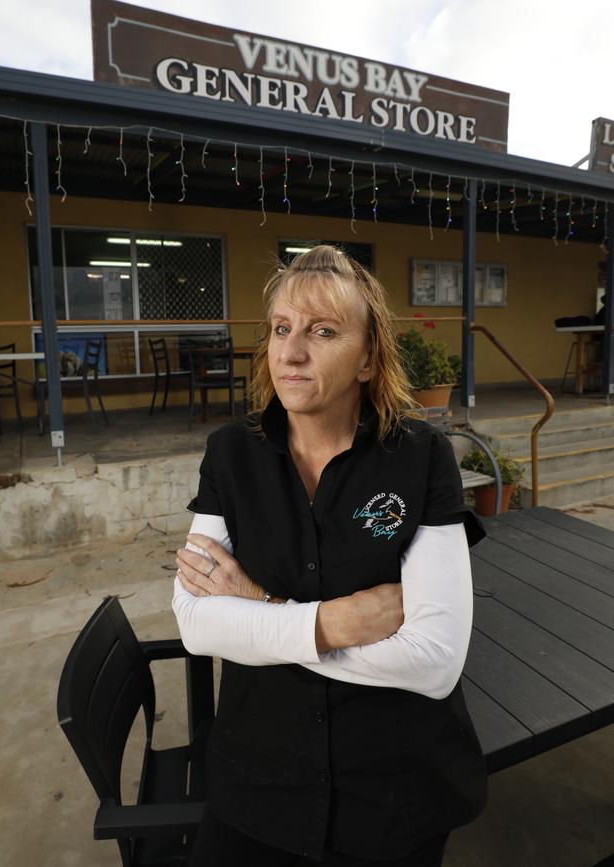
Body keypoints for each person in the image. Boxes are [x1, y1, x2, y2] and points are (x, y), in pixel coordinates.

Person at [172, 245, 488, 867]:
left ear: (369, 356)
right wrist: (330, 622)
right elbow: (195, 622)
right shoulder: (230, 454)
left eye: (322, 332)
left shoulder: (421, 454)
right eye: (281, 330)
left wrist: (259, 611)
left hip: (396, 789)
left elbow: (433, 662)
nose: (290, 353)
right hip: (256, 780)